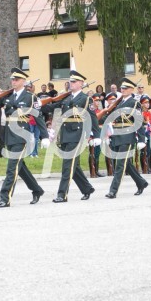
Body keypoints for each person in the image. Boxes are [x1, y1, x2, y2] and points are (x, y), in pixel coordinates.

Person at [0, 67, 49, 208]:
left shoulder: (30, 97)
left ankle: (4, 198)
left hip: (21, 135)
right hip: (9, 135)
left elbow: (38, 116)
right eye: (12, 79)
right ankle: (37, 190)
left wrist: (45, 136)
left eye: (16, 79)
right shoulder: (8, 96)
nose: (13, 81)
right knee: (19, 167)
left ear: (23, 81)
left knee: (11, 168)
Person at [52, 70, 100, 202]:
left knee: (67, 166)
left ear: (81, 83)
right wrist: (38, 104)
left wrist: (96, 135)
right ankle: (87, 189)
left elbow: (93, 117)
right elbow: (52, 107)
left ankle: (62, 194)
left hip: (77, 135)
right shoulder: (66, 98)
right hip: (65, 135)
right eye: (70, 81)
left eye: (74, 82)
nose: (71, 83)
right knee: (74, 166)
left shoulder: (86, 99)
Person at [102, 78, 148, 198]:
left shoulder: (134, 103)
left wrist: (141, 139)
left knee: (120, 165)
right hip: (117, 136)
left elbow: (138, 121)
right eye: (122, 88)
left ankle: (113, 191)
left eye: (126, 88)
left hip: (127, 136)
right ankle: (141, 183)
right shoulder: (119, 103)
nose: (123, 90)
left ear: (131, 89)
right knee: (126, 164)